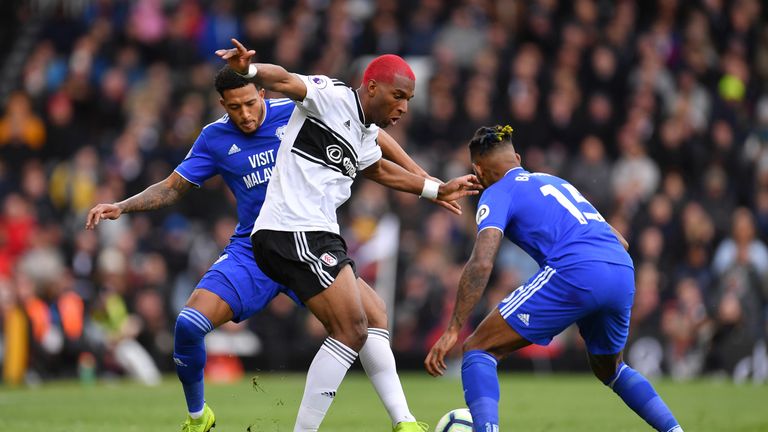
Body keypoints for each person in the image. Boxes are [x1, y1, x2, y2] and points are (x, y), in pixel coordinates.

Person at [86, 66, 450, 432]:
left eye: (248, 103)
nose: (244, 114)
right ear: (222, 105)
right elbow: (172, 187)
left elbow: (366, 132)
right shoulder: (214, 138)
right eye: (233, 108)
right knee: (189, 325)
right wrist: (123, 206)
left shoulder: (295, 108)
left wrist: (423, 177)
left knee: (370, 317)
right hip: (255, 249)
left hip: (306, 236)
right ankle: (199, 418)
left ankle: (403, 420)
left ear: (262, 94)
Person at [215, 39, 481, 431]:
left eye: (408, 99)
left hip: (313, 233)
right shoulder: (330, 96)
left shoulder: (363, 133)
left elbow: (378, 169)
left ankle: (404, 422)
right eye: (398, 96)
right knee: (351, 330)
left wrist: (434, 189)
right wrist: (248, 72)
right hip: (295, 228)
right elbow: (285, 80)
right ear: (371, 87)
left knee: (373, 314)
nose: (403, 107)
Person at [425, 125, 684, 432]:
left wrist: (453, 328)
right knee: (611, 369)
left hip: (577, 269)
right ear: (517, 158)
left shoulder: (497, 192)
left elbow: (481, 262)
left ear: (478, 170)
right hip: (621, 268)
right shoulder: (554, 181)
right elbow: (621, 241)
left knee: (478, 348)